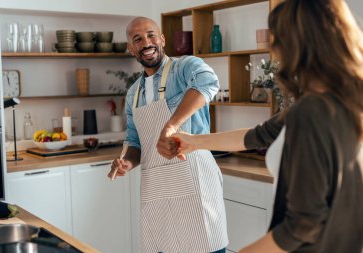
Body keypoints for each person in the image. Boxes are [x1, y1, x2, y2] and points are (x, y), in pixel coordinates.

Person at [171, 1, 363, 252]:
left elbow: (303, 225)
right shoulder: (345, 101)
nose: (274, 48)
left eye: (277, 38)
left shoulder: (311, 112)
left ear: (297, 43)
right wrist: (193, 141)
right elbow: (256, 136)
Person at [108, 17, 228, 253]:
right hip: (158, 192)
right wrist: (126, 162)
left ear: (161, 39)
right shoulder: (133, 94)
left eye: (151, 35)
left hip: (195, 183)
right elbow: (135, 142)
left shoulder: (185, 68)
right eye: (138, 39)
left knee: (207, 246)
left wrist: (170, 126)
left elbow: (208, 83)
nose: (146, 42)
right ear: (131, 48)